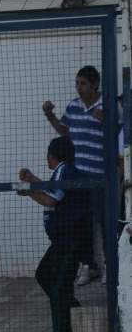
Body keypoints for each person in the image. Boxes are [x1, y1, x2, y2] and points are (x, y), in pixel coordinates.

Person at [42, 65, 117, 286]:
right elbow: (65, 131)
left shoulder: (107, 105)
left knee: (105, 222)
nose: (79, 88)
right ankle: (89, 266)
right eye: (77, 83)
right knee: (81, 222)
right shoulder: (73, 106)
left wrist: (106, 120)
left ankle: (110, 268)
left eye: (83, 83)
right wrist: (50, 116)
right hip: (78, 177)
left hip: (101, 176)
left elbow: (119, 134)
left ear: (95, 84)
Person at [17, 137, 89, 332]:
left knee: (57, 286)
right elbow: (53, 188)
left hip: (70, 239)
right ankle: (71, 309)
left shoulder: (65, 170)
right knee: (45, 275)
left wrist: (28, 191)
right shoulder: (63, 171)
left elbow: (51, 198)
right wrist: (32, 179)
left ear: (52, 155)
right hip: (64, 240)